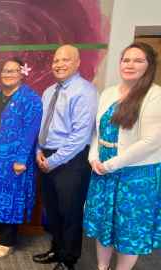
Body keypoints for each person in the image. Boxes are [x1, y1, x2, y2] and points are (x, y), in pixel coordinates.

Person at [84, 42, 161, 270]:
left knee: (129, 229)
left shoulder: (155, 96)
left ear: (149, 66)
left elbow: (150, 142)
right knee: (102, 225)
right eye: (126, 59)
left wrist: (111, 165)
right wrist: (93, 157)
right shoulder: (108, 92)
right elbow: (97, 131)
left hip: (136, 176)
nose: (130, 64)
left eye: (138, 60)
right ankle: (102, 267)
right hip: (102, 170)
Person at [33, 45, 98, 270]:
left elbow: (80, 136)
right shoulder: (49, 91)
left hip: (72, 160)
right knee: (52, 209)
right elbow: (42, 125)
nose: (59, 64)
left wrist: (52, 161)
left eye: (65, 60)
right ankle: (56, 249)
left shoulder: (85, 91)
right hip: (46, 155)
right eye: (56, 60)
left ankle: (68, 260)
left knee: (70, 212)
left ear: (77, 63)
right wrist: (39, 152)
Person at [0, 58, 42, 259]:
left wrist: (21, 159)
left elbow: (30, 132)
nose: (8, 74)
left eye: (13, 70)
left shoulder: (30, 99)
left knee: (11, 198)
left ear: (22, 73)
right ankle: (1, 233)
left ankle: (8, 242)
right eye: (5, 70)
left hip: (14, 160)